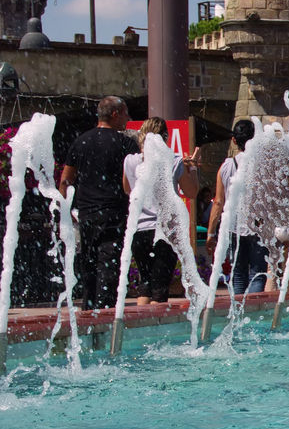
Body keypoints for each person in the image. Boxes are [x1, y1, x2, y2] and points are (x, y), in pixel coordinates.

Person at [58, 96, 138, 310]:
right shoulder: (126, 143)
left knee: (89, 264)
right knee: (109, 267)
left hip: (87, 214)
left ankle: (88, 311)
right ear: (115, 114)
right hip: (114, 212)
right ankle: (105, 314)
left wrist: (64, 213)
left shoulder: (81, 141)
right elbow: (133, 179)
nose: (128, 118)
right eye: (125, 113)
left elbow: (66, 180)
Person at [122, 117, 199, 304]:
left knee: (146, 283)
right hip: (164, 231)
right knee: (160, 288)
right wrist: (193, 169)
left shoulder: (131, 161)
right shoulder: (173, 161)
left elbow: (127, 189)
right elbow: (192, 192)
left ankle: (140, 330)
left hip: (139, 230)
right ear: (165, 138)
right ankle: (155, 330)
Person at [207, 119, 269, 295]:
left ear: (234, 140)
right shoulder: (264, 165)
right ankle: (253, 314)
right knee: (258, 273)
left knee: (238, 273)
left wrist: (211, 233)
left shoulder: (227, 166)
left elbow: (218, 202)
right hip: (259, 227)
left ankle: (238, 315)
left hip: (234, 227)